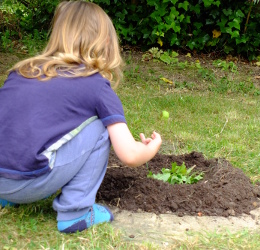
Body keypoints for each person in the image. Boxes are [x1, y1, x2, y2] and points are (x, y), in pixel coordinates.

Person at [0, 1, 162, 233]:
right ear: (106, 43)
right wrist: (152, 147)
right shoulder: (95, 85)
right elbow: (129, 155)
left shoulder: (22, 72)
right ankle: (74, 212)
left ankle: (8, 197)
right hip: (29, 183)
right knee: (100, 127)